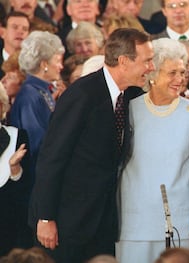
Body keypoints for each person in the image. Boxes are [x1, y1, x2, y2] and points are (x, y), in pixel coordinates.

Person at [28, 28, 155, 263]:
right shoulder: (82, 95)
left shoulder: (131, 95)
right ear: (124, 61)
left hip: (103, 221)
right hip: (67, 222)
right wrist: (45, 218)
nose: (151, 67)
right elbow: (51, 158)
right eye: (147, 61)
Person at [116, 38, 189, 263]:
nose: (180, 80)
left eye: (182, 72)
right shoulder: (128, 110)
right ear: (153, 74)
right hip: (133, 224)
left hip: (180, 224)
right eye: (172, 73)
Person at [10, 31, 64, 184]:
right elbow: (36, 143)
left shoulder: (42, 91)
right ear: (44, 64)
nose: (61, 66)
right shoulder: (30, 95)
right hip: (35, 179)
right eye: (58, 61)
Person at [0, 83, 30, 256]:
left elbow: (25, 188)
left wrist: (14, 168)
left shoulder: (17, 136)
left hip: (8, 224)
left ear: (2, 106)